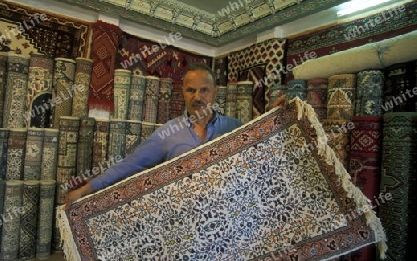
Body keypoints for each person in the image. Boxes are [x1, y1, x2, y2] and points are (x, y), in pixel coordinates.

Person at [63, 62, 285, 209]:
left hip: (225, 218)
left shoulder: (233, 127)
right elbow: (130, 164)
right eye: (191, 90)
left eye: (204, 90)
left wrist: (275, 118)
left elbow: (258, 144)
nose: (197, 97)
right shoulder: (168, 133)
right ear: (183, 93)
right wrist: (85, 190)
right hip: (182, 222)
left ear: (215, 93)